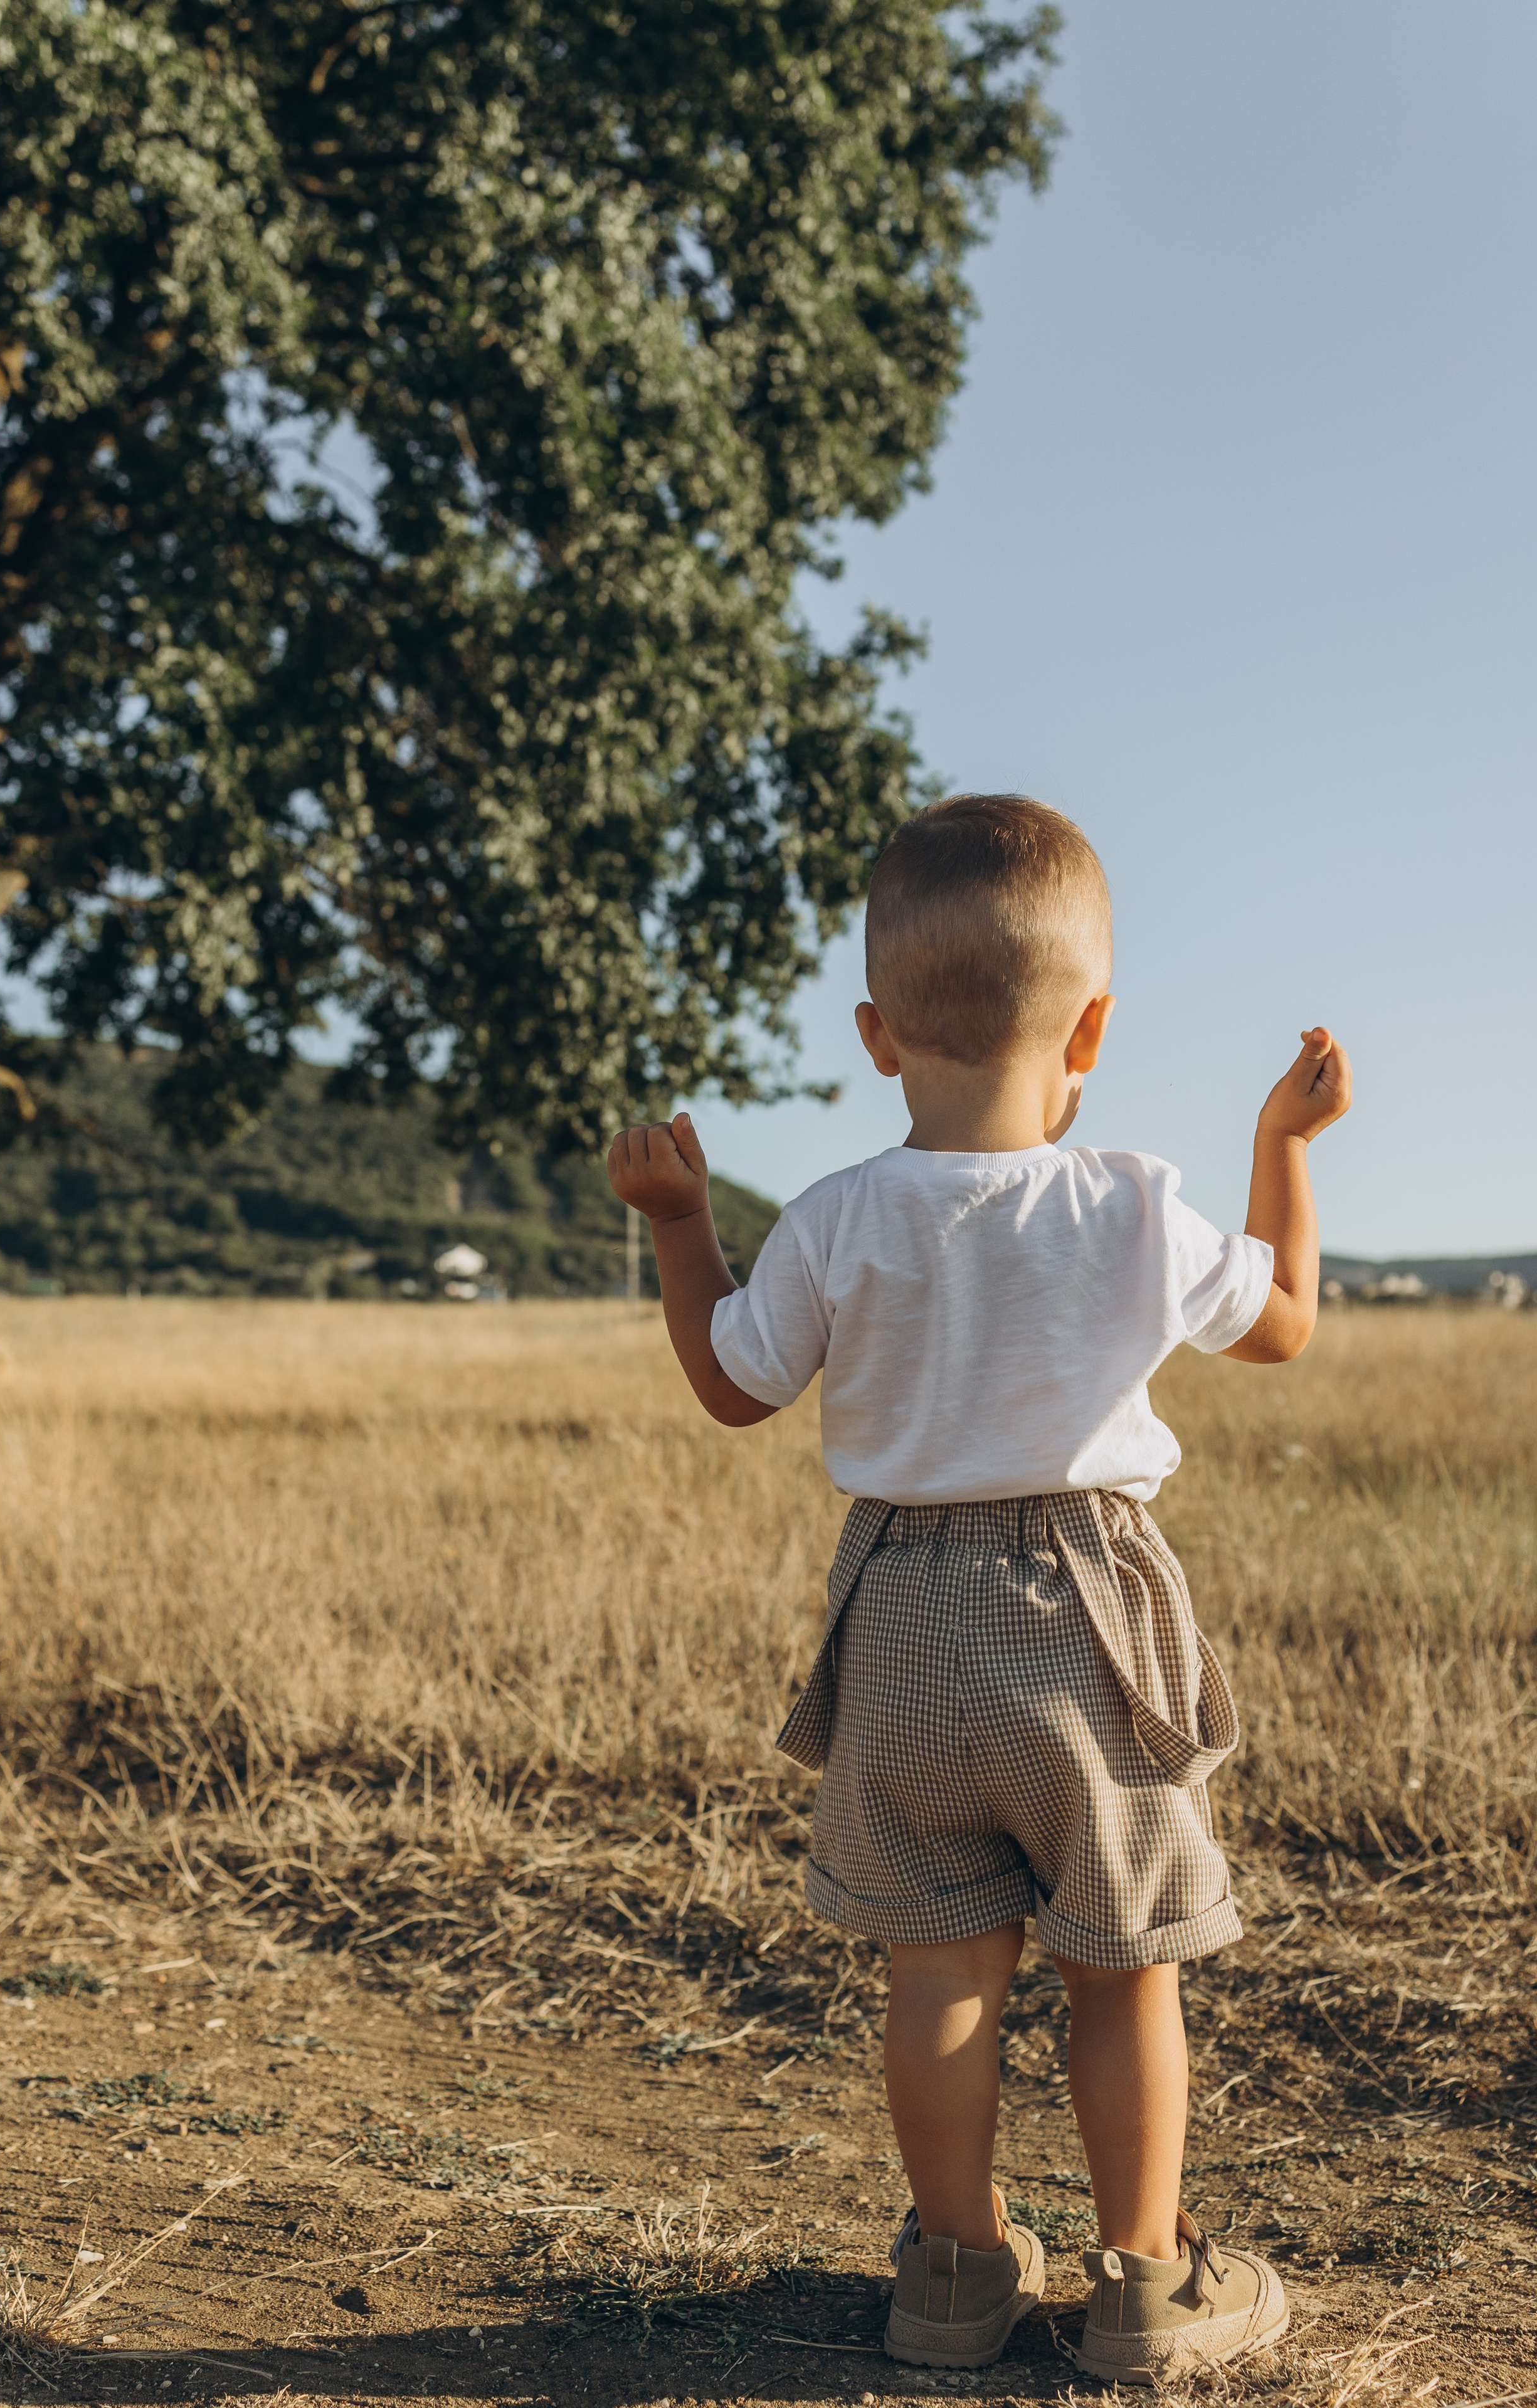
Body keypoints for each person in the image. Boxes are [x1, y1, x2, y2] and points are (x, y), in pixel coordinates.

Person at [606, 794, 1351, 2382]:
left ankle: (950, 2280)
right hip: (1088, 1606)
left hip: (898, 1612)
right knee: (1119, 1965)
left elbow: (733, 1389)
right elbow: (1283, 1319)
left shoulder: (830, 1220)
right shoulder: (1135, 1203)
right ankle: (1145, 2286)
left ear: (876, 1035)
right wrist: (1278, 1149)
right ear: (1089, 1030)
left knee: (939, 1968)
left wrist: (681, 1223)